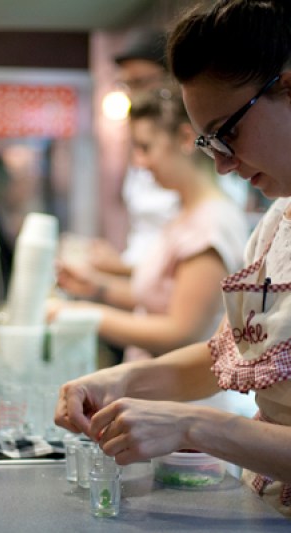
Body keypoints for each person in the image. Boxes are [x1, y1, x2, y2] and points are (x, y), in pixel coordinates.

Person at [55, 0, 291, 518]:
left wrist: (194, 426)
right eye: (209, 143)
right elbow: (229, 355)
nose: (224, 165)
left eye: (228, 132)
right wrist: (121, 382)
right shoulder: (275, 227)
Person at [49, 89, 248, 365]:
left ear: (184, 139)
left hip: (186, 398)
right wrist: (96, 287)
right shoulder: (186, 212)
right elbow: (161, 299)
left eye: (145, 147)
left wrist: (76, 314)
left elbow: (181, 331)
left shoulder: (211, 225)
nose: (139, 162)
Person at [88, 29, 179, 276]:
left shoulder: (188, 147)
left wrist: (117, 269)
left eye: (140, 81)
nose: (132, 93)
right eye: (125, 84)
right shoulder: (135, 148)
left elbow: (188, 256)